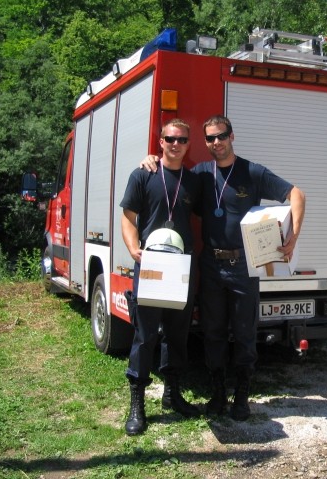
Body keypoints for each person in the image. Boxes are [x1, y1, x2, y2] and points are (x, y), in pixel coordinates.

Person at [141, 114, 305, 421]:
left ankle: (241, 396)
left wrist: (292, 235)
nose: (217, 142)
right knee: (213, 333)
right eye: (210, 138)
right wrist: (152, 159)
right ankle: (218, 393)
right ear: (205, 143)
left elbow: (296, 194)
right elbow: (171, 177)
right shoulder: (201, 173)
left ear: (232, 136)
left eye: (222, 136)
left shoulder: (252, 172)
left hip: (245, 266)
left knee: (244, 333)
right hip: (212, 265)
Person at [120, 118, 201, 436]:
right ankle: (137, 403)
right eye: (170, 139)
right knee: (145, 336)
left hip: (181, 269)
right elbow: (128, 217)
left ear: (188, 144)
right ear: (160, 142)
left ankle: (172, 394)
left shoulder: (195, 182)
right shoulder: (143, 174)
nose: (176, 145)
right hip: (151, 265)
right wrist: (133, 248)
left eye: (182, 140)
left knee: (177, 335)